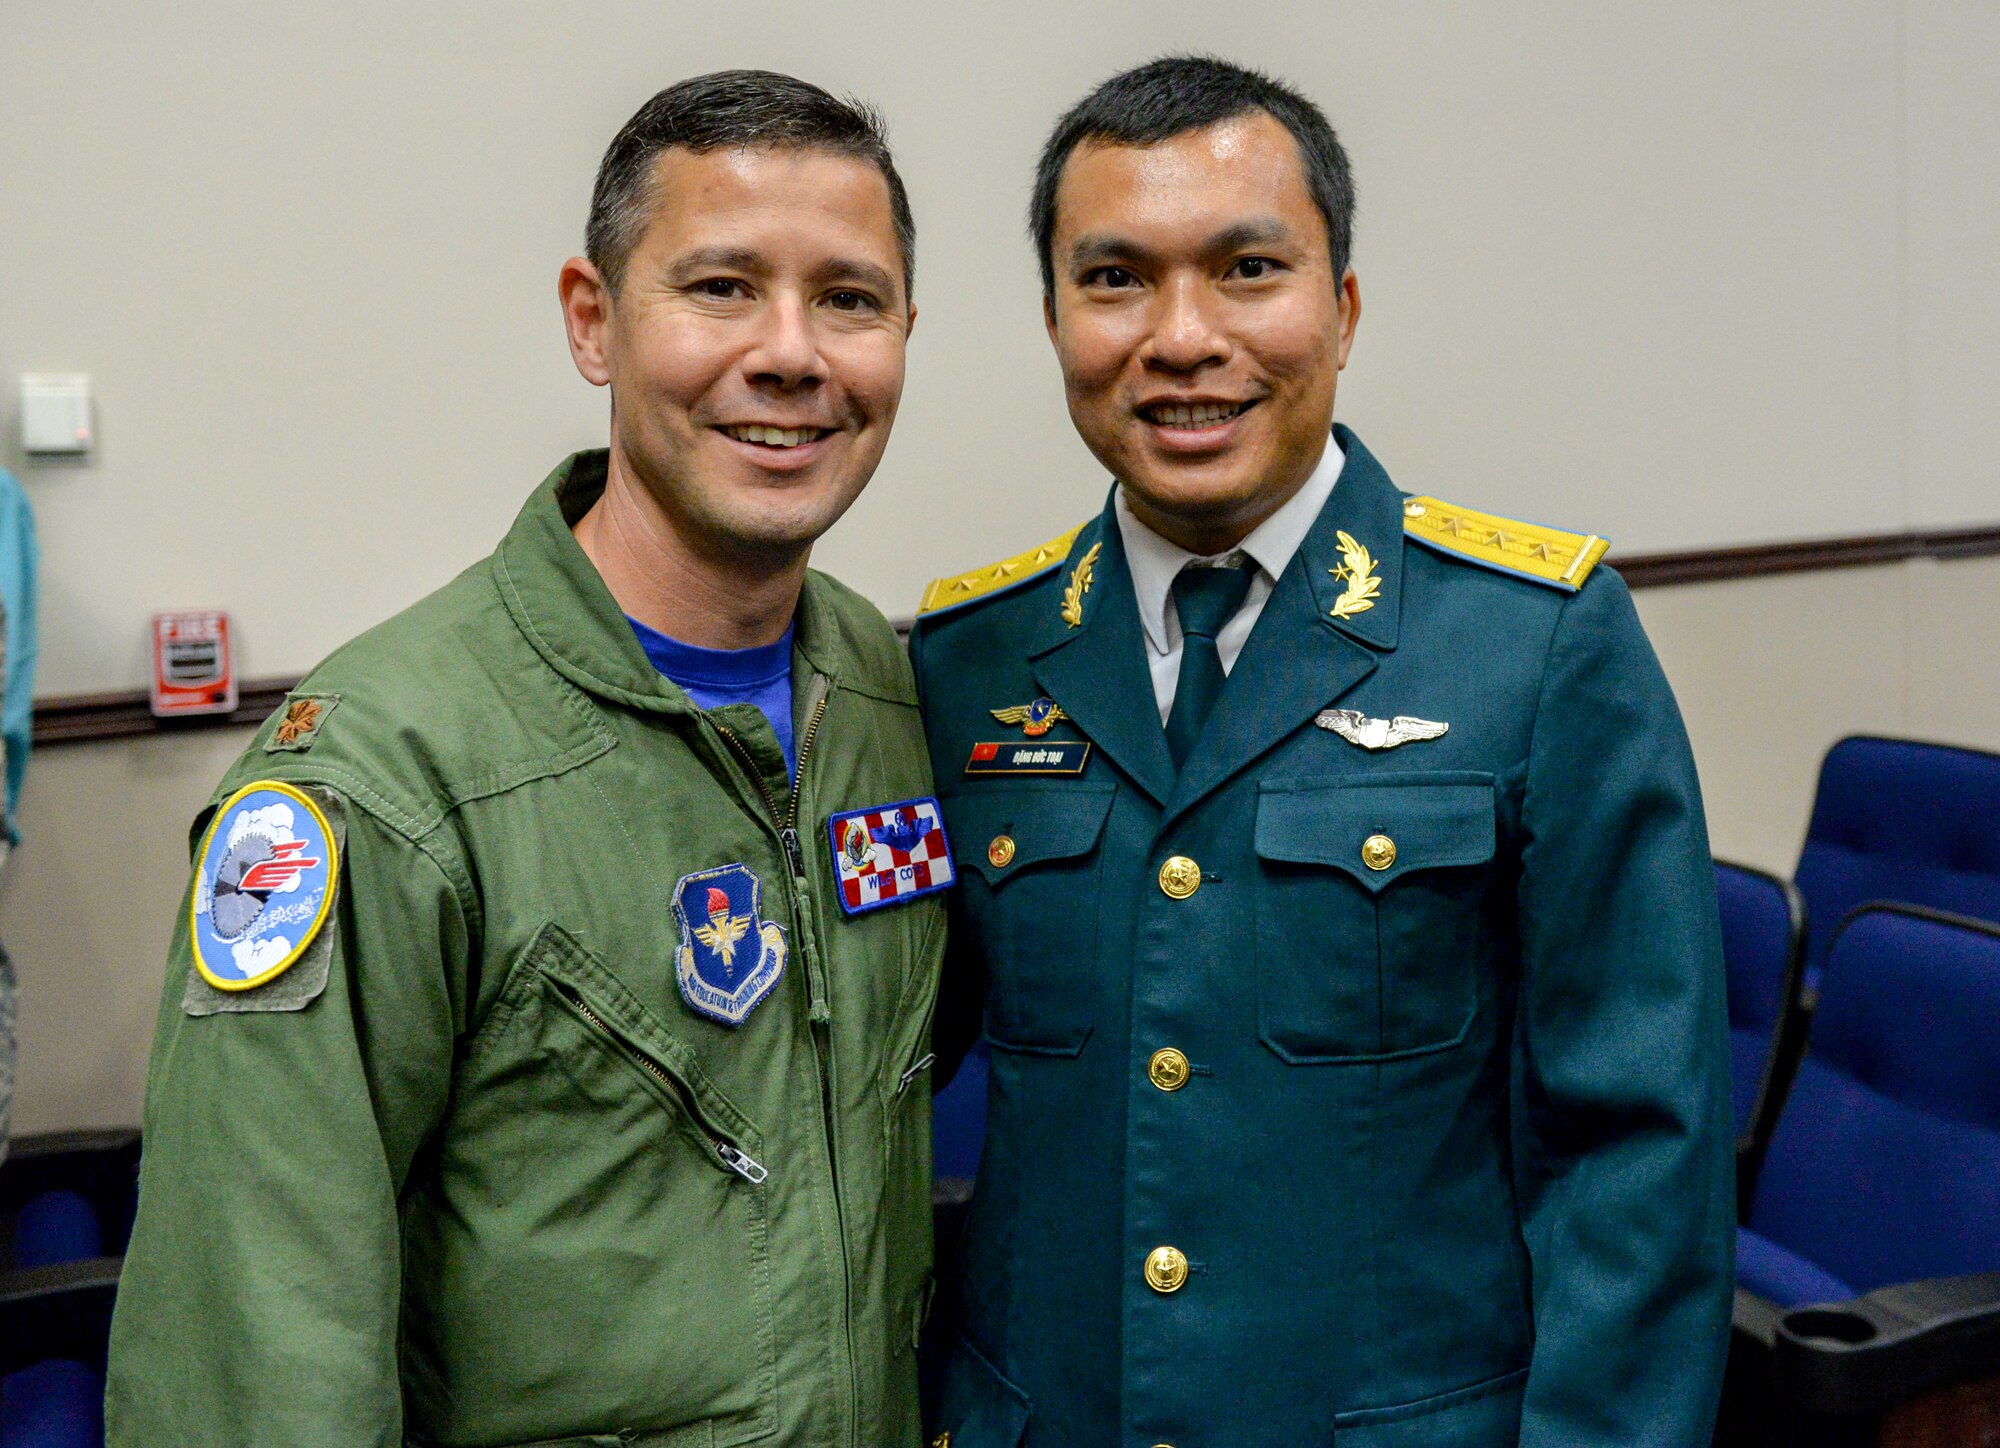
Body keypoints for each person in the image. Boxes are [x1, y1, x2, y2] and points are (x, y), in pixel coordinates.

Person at [107, 70, 949, 1447]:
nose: (793, 352)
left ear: (904, 334)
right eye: (721, 287)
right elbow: (252, 1361)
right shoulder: (378, 776)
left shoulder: (888, 697)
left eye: (849, 299)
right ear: (593, 320)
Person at [910, 56, 1733, 1447]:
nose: (1181, 336)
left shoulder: (1535, 645)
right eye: (1114, 279)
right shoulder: (965, 662)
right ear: (1053, 319)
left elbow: (1637, 1154)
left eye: (1247, 268)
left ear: (1341, 308)